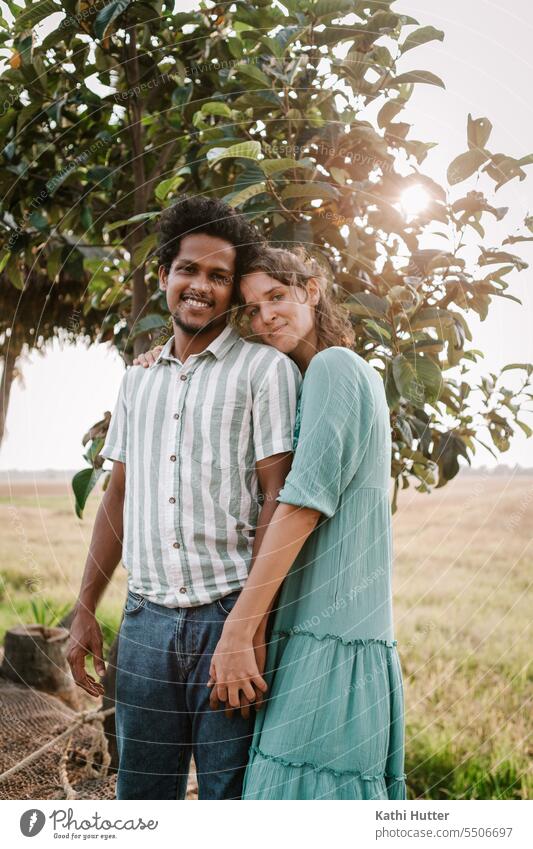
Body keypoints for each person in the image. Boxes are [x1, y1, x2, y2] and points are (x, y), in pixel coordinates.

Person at [139, 245, 407, 800]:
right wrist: (165, 362)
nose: (266, 318)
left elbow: (301, 503)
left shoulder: (335, 368)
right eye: (253, 308)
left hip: (328, 637)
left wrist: (239, 628)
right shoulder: (311, 378)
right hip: (319, 627)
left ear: (311, 291)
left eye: (278, 297)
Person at [66, 197, 301, 800]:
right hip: (143, 624)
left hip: (228, 615)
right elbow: (117, 499)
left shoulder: (263, 371)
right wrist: (86, 607)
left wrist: (247, 630)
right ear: (166, 274)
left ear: (231, 291)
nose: (201, 286)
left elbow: (279, 497)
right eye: (189, 270)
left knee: (227, 797)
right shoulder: (137, 379)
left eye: (219, 277)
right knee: (141, 798)